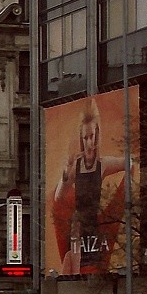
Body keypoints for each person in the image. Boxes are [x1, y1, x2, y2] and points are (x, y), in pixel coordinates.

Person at [52, 98, 128, 275]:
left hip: (95, 230)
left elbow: (129, 163)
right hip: (78, 227)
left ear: (97, 135)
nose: (88, 142)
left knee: (90, 270)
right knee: (73, 266)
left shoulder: (103, 164)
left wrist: (126, 187)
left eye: (91, 136)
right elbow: (58, 197)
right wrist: (64, 175)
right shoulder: (76, 166)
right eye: (84, 137)